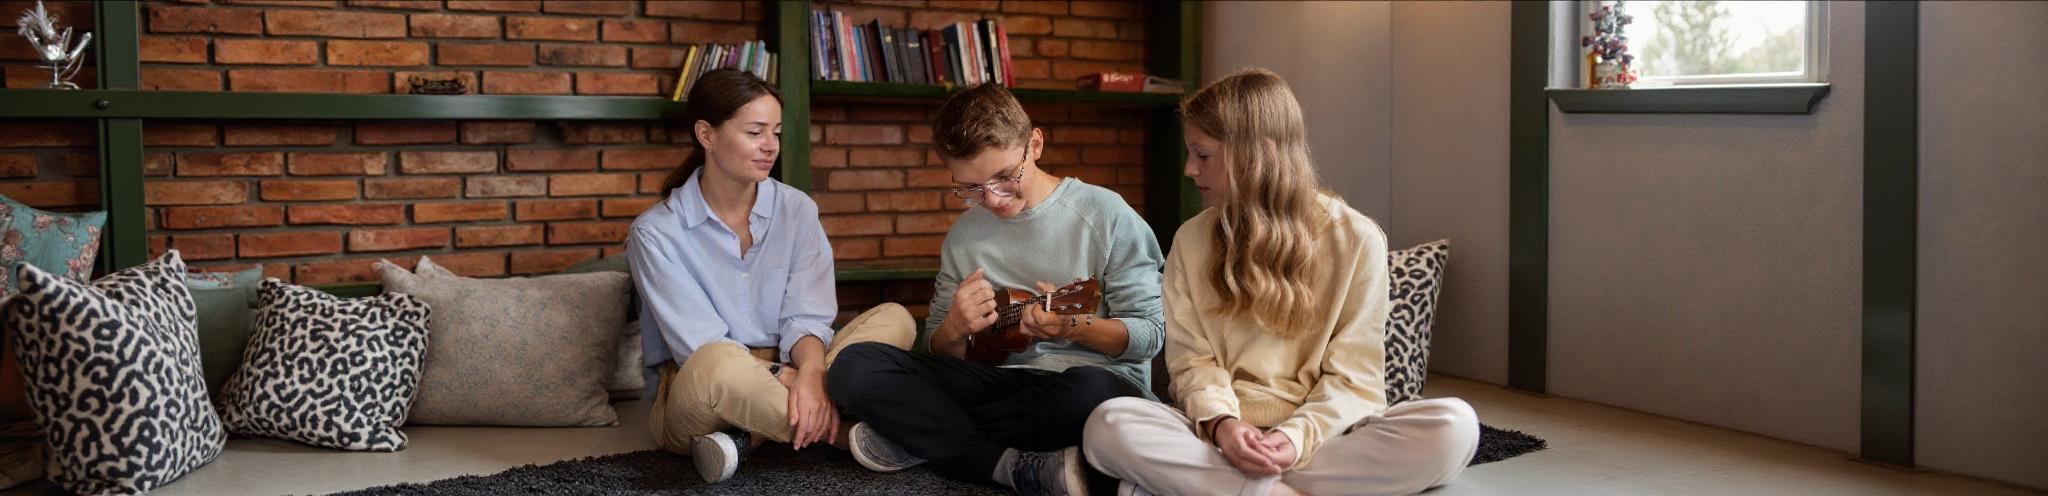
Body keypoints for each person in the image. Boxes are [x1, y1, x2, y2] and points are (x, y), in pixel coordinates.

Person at [1081, 68, 1481, 496]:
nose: (1188, 169)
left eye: (1203, 154)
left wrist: (1292, 440)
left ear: (1260, 153)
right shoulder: (1191, 240)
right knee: (1108, 424)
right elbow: (1191, 364)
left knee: (1455, 427)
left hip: (1323, 439)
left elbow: (1355, 380)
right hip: (1218, 439)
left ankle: (1223, 488)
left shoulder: (1357, 239)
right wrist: (1223, 426)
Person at [827, 83, 1166, 495]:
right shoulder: (963, 235)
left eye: (1005, 177)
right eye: (970, 187)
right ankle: (1002, 463)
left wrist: (1075, 328)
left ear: (1035, 144)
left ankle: (920, 436)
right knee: (853, 365)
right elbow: (937, 348)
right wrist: (953, 328)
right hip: (1001, 383)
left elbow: (1149, 336)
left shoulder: (1106, 214)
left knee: (1087, 393)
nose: (993, 199)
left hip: (1090, 385)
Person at [626, 68, 916, 484]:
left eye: (776, 133)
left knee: (897, 318)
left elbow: (808, 313)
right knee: (717, 362)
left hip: (794, 364)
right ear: (707, 135)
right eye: (755, 132)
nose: (770, 147)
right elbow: (699, 346)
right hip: (701, 390)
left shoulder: (797, 210)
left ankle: (744, 440)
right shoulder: (655, 232)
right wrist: (792, 379)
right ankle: (849, 434)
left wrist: (812, 373)